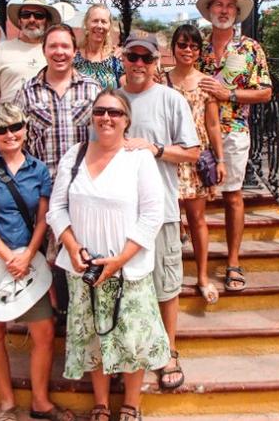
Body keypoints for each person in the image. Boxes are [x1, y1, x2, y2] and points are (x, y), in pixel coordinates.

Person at [47, 90, 169, 421]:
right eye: (100, 111)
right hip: (83, 269)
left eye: (114, 113)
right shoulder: (75, 154)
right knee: (94, 339)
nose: (106, 118)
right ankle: (101, 404)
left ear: (126, 120)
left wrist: (120, 260)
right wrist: (72, 247)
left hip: (127, 270)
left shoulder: (139, 158)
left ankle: (131, 404)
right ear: (91, 116)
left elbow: (152, 215)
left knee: (132, 339)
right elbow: (56, 209)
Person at [0, 103, 75, 421]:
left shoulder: (39, 170)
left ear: (25, 129)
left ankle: (40, 401)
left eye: (15, 127)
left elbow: (44, 218)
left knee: (43, 331)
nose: (9, 134)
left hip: (29, 259)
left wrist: (28, 253)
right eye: (1, 130)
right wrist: (8, 255)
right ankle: (7, 403)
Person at [118, 31, 200, 390]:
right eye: (132, 57)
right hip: (119, 213)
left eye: (145, 58)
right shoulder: (112, 101)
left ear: (157, 63)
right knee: (123, 286)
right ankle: (126, 353)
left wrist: (155, 149)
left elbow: (193, 152)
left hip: (162, 209)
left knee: (165, 285)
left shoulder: (171, 100)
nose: (138, 64)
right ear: (122, 60)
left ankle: (168, 351)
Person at [196, 0, 272, 292]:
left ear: (236, 13)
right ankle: (195, 259)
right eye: (218, 5)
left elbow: (265, 92)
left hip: (234, 131)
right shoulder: (196, 47)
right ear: (210, 11)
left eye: (230, 6)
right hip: (197, 130)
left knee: (233, 196)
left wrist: (230, 94)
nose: (224, 10)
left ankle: (232, 261)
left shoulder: (250, 48)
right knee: (194, 196)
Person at [163, 24, 226, 304]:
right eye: (182, 45)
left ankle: (202, 275)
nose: (188, 50)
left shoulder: (206, 83)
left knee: (197, 218)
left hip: (197, 159)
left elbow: (213, 124)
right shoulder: (161, 81)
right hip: (169, 157)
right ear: (174, 48)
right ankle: (167, 278)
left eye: (193, 46)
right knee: (168, 219)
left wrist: (220, 159)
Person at [0, 0, 61, 159]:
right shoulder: (1, 51)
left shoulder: (55, 52)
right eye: (26, 15)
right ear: (20, 20)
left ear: (46, 20)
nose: (32, 19)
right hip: (8, 135)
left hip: (46, 139)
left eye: (38, 15)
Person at [14, 23, 101, 180]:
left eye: (65, 46)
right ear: (44, 51)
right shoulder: (27, 92)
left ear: (75, 51)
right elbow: (15, 142)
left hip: (82, 186)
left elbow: (104, 138)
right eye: (53, 46)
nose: (59, 52)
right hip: (43, 187)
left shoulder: (92, 89)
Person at [73, 4, 124, 89]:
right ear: (86, 23)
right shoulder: (73, 57)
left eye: (104, 22)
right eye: (95, 21)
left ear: (109, 26)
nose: (99, 26)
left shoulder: (116, 59)